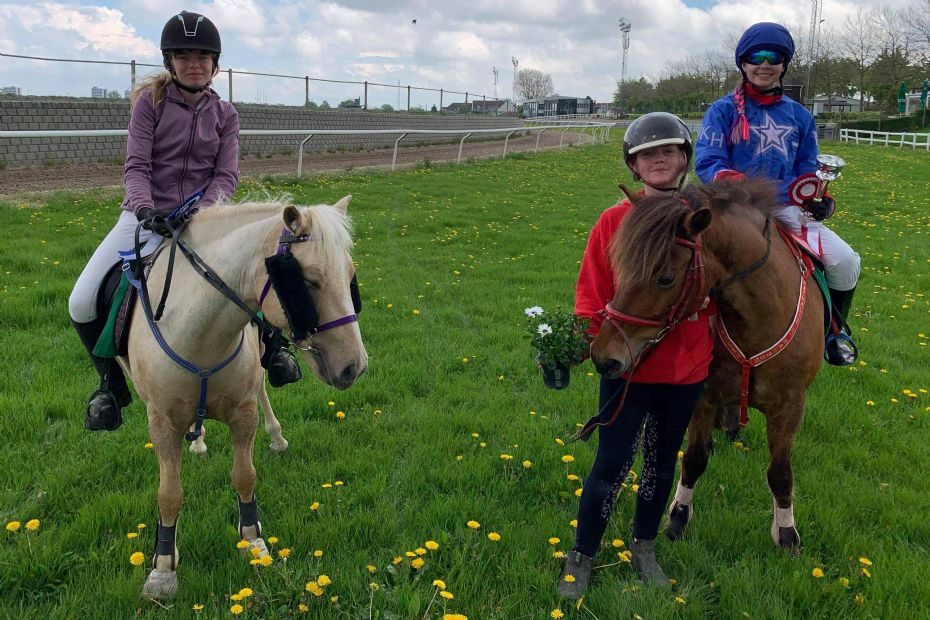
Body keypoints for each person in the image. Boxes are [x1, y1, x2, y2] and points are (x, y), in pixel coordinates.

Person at [68, 10, 298, 432]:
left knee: (253, 272)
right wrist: (143, 208)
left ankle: (275, 350)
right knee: (80, 300)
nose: (194, 64)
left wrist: (202, 211)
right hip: (146, 216)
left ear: (215, 64)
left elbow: (225, 175)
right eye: (184, 56)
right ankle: (110, 386)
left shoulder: (225, 115)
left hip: (203, 217)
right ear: (170, 61)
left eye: (203, 57)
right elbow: (136, 166)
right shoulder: (149, 104)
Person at [558, 113, 716, 598]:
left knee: (661, 462)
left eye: (668, 150)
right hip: (627, 366)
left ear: (685, 158)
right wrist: (584, 344)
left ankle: (644, 544)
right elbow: (592, 294)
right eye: (648, 153)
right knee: (611, 461)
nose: (660, 159)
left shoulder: (706, 222)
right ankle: (582, 552)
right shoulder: (614, 220)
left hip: (685, 365)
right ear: (634, 165)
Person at [695, 21, 860, 365]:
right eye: (756, 56)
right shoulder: (722, 110)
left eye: (774, 56)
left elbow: (807, 168)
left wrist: (819, 197)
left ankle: (834, 334)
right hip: (733, 208)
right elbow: (708, 163)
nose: (764, 63)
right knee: (687, 264)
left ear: (784, 64)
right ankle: (677, 343)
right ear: (743, 63)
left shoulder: (800, 116)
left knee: (846, 261)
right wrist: (745, 188)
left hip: (786, 209)